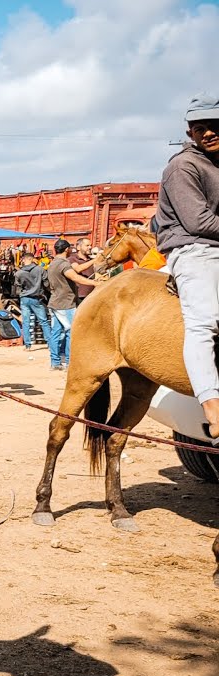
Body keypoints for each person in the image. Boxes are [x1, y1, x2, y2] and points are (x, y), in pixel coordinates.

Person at [156, 92, 219, 435]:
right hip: (194, 248)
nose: (207, 133)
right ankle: (212, 404)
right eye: (200, 128)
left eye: (214, 126)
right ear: (190, 132)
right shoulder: (183, 166)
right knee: (203, 323)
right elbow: (198, 223)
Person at [46, 239, 100, 370]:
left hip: (55, 301)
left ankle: (55, 362)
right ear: (66, 250)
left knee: (56, 332)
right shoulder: (64, 264)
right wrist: (95, 283)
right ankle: (70, 362)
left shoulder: (53, 263)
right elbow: (75, 277)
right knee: (73, 331)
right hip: (65, 303)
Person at [13, 252, 52, 353]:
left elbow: (17, 289)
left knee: (26, 322)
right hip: (37, 298)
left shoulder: (19, 273)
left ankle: (28, 345)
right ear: (32, 259)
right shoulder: (40, 270)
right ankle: (50, 343)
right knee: (43, 321)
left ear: (25, 260)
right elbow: (47, 283)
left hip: (25, 298)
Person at [71, 238, 99, 306]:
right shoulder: (72, 258)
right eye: (87, 245)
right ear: (78, 247)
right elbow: (78, 269)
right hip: (80, 296)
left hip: (92, 294)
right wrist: (94, 260)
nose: (90, 247)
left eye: (90, 245)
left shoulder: (90, 259)